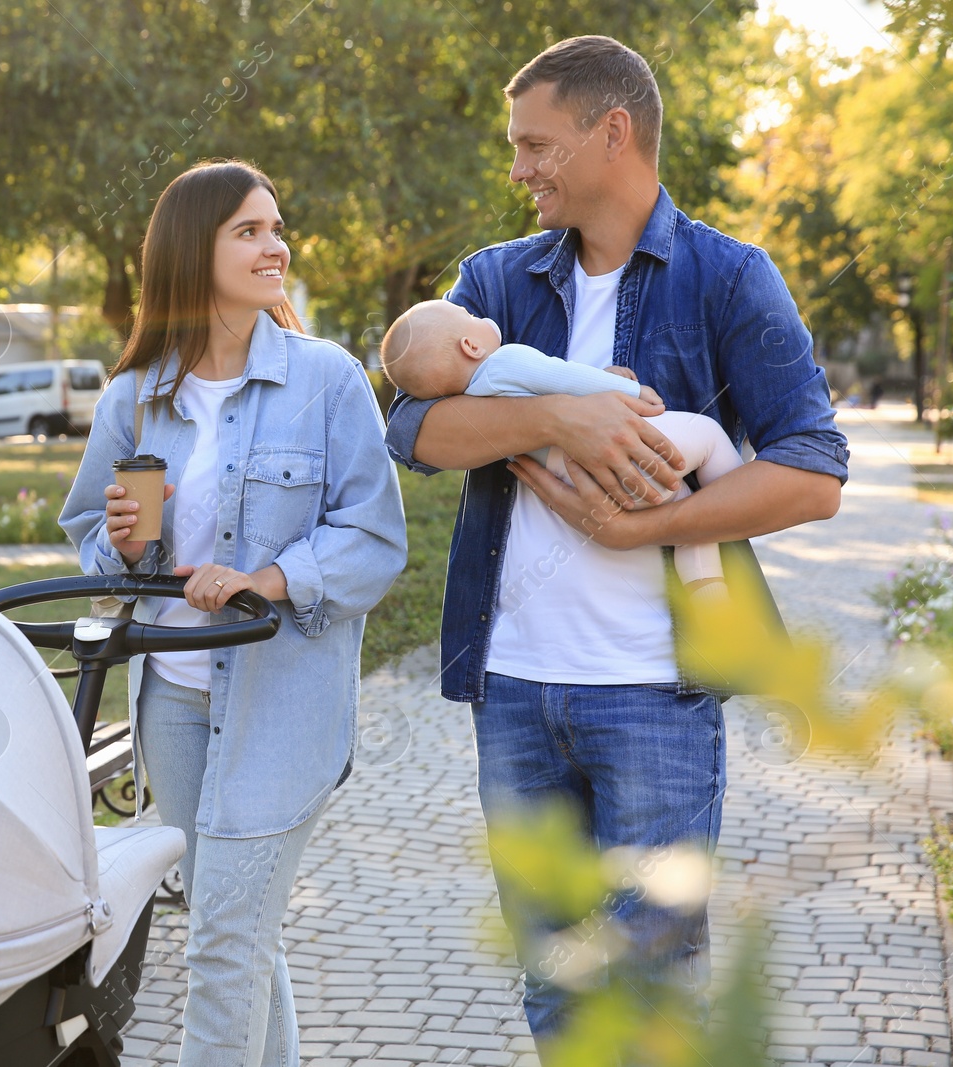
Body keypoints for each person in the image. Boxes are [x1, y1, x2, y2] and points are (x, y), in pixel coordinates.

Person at [383, 36, 848, 1057]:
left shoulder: (728, 277)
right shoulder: (495, 281)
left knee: (649, 990)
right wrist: (559, 420)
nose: (517, 170)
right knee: (554, 989)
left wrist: (645, 524)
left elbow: (813, 470)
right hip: (510, 690)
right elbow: (414, 432)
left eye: (533, 145)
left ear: (612, 132)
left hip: (655, 693)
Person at [60, 159, 407, 1066]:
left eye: (276, 227)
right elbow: (94, 544)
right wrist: (127, 547)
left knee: (221, 936)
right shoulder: (134, 396)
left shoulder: (326, 382)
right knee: (239, 927)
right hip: (170, 701)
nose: (275, 245)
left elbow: (375, 539)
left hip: (281, 700)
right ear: (192, 250)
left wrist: (267, 575)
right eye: (248, 231)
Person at [380, 297, 744, 599]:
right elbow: (563, 376)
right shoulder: (505, 359)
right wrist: (629, 390)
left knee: (681, 506)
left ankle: (706, 591)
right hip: (630, 451)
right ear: (471, 346)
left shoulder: (475, 398)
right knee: (708, 436)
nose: (478, 316)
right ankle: (734, 498)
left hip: (586, 479)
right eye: (470, 317)